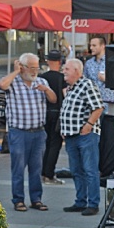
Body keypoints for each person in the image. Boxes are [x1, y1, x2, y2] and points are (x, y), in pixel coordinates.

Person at [0, 53, 58, 212]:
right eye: (31, 68)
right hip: (19, 132)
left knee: (36, 168)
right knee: (18, 168)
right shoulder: (14, 82)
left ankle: (36, 199)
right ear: (22, 67)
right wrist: (16, 72)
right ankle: (18, 200)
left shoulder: (42, 81)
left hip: (38, 132)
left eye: (37, 67)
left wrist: (46, 90)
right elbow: (1, 85)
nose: (35, 71)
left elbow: (54, 99)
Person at [59, 59, 104, 217]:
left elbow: (98, 107)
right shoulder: (71, 88)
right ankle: (80, 201)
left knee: (90, 170)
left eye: (67, 69)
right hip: (71, 135)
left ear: (77, 71)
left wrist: (89, 124)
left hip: (86, 135)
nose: (64, 71)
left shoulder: (87, 85)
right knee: (76, 170)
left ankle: (93, 203)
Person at [39, 50, 66, 186]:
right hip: (58, 114)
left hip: (44, 113)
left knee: (46, 144)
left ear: (48, 61)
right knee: (55, 145)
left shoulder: (42, 77)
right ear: (60, 62)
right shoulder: (63, 78)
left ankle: (43, 172)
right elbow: (66, 97)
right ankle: (49, 174)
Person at [84, 35, 114, 103]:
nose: (91, 48)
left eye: (94, 45)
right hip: (93, 102)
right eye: (90, 45)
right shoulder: (88, 63)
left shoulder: (112, 62)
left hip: (108, 102)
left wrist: (106, 79)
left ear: (102, 46)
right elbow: (84, 81)